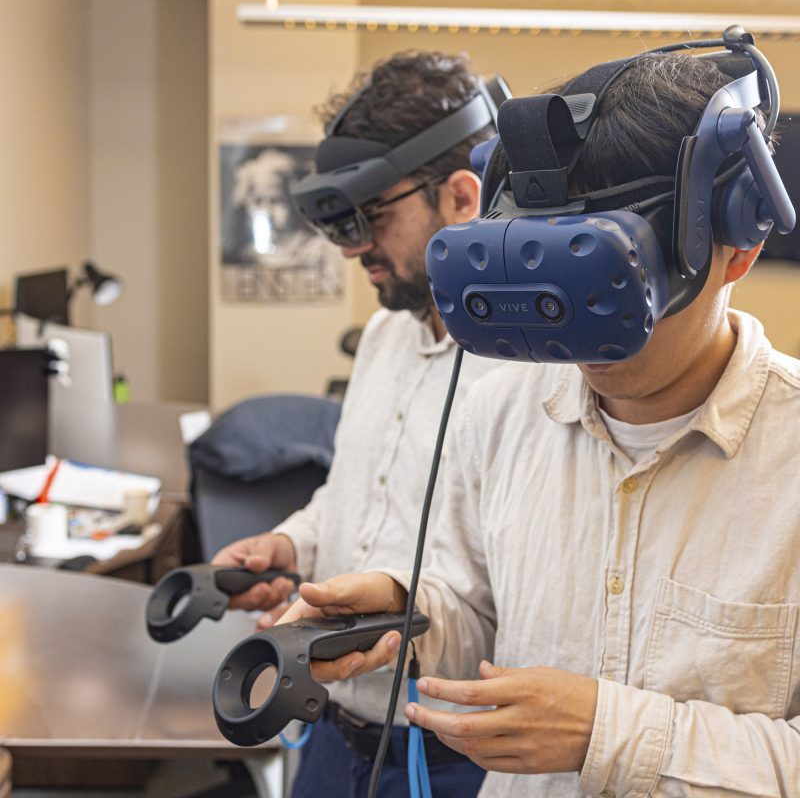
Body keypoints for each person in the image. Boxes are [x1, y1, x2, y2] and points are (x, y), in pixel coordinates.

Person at [277, 51, 800, 796]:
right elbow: (481, 618)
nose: (578, 336)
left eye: (608, 283)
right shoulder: (501, 413)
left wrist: (608, 733)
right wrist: (410, 612)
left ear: (739, 242)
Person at [212, 51, 505, 798]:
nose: (351, 249)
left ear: (462, 198)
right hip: (333, 738)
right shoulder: (383, 337)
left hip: (449, 759)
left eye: (373, 217)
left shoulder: (533, 372)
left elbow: (527, 603)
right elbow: (354, 496)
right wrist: (294, 543)